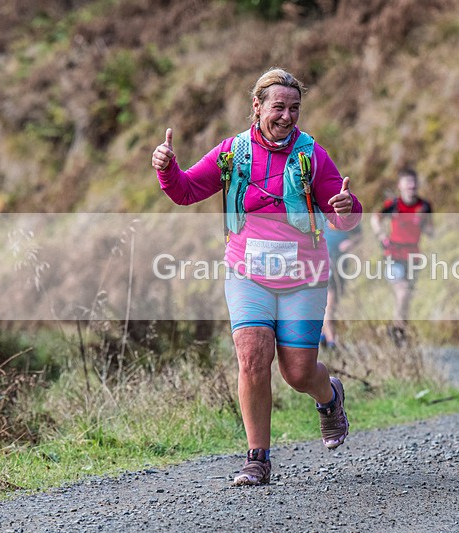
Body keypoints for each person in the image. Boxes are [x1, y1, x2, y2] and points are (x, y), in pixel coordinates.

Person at [151, 67, 362, 486]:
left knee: (298, 373)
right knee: (252, 356)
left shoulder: (312, 155)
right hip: (247, 272)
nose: (287, 116)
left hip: (304, 274)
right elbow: (186, 191)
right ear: (257, 107)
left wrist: (345, 205)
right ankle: (257, 459)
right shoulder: (233, 152)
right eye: (278, 107)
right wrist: (167, 168)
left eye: (294, 108)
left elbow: (346, 219)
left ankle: (330, 396)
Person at [370, 168, 433, 344]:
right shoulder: (393, 204)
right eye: (407, 182)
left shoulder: (424, 206)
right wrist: (381, 236)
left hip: (414, 257)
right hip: (394, 254)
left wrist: (423, 224)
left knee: (406, 297)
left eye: (413, 182)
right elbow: (375, 219)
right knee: (402, 291)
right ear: (400, 185)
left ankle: (399, 331)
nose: (411, 186)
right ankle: (398, 330)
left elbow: (430, 230)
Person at [320, 221, 362, 349]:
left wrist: (351, 243)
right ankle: (332, 341)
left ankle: (323, 336)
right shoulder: (320, 213)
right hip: (325, 263)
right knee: (330, 304)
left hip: (341, 264)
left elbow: (359, 235)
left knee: (335, 302)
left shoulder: (347, 213)